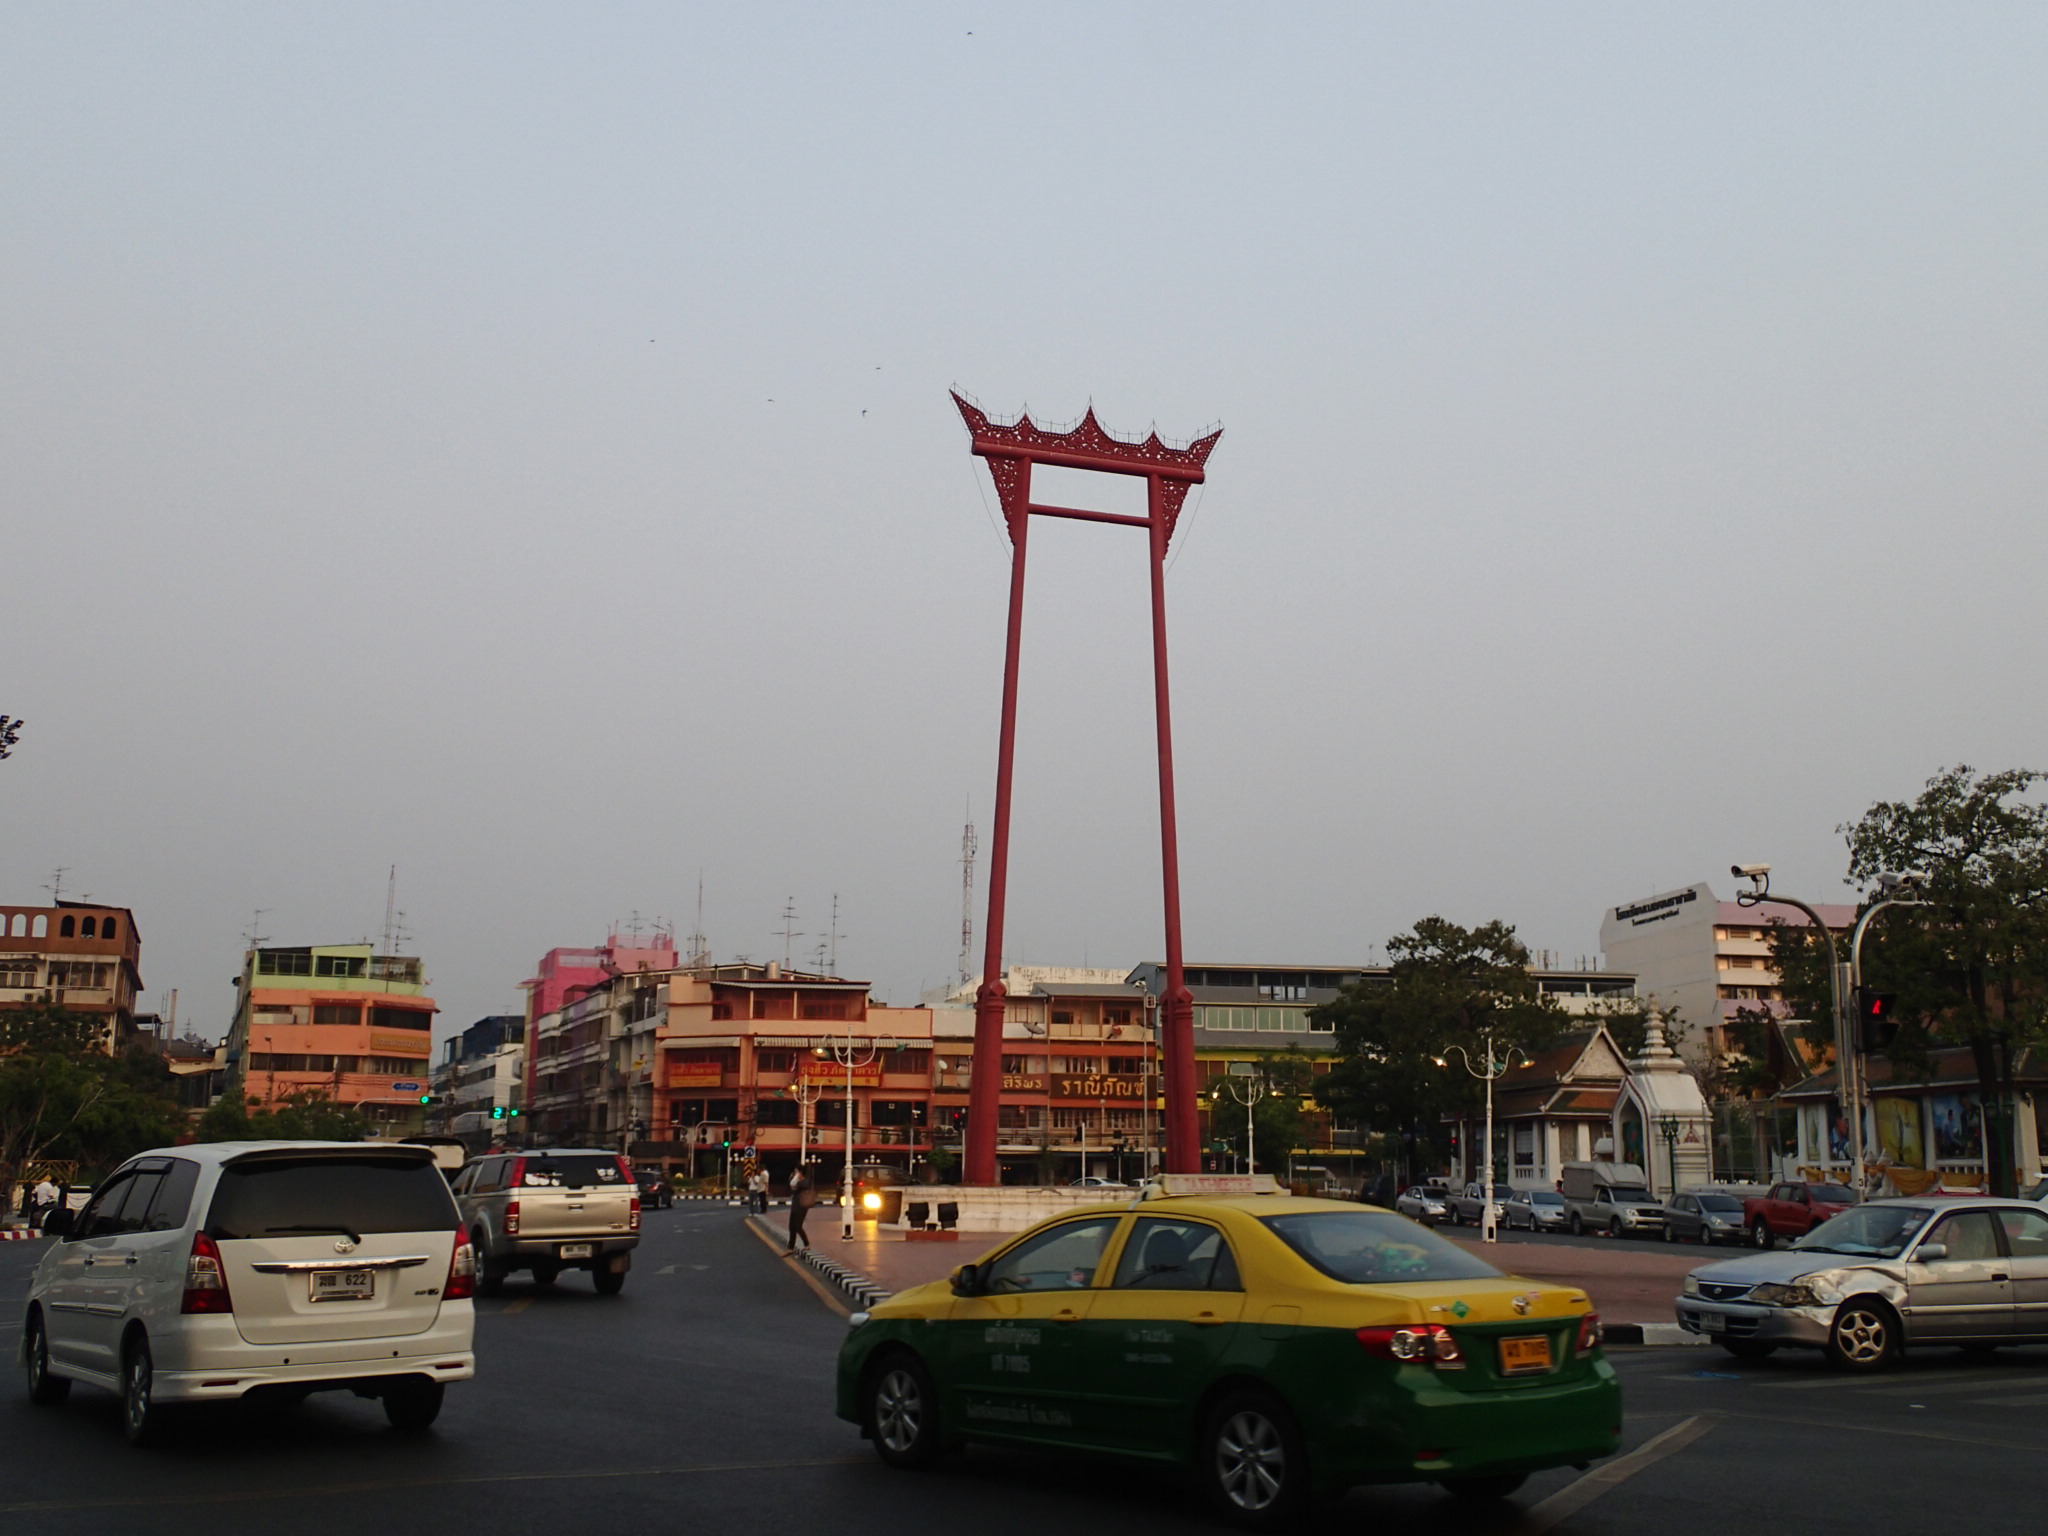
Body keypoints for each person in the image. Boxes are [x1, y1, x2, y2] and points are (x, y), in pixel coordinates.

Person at [786, 1164, 816, 1251]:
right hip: (795, 1205)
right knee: (791, 1226)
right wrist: (791, 1178)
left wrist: (796, 1179)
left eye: (796, 1171)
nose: (795, 1173)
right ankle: (790, 1247)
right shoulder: (796, 1180)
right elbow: (790, 1187)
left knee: (798, 1226)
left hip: (801, 1206)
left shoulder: (804, 1181)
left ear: (800, 1172)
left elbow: (798, 1186)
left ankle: (806, 1244)